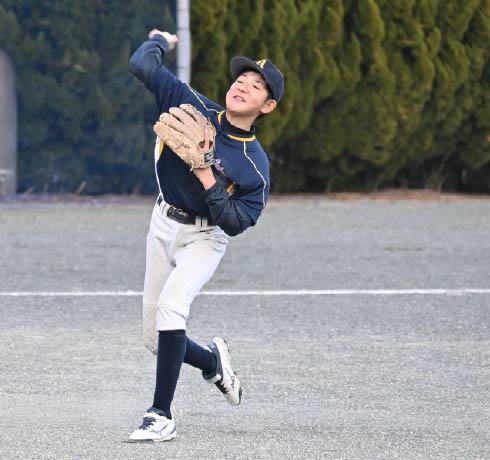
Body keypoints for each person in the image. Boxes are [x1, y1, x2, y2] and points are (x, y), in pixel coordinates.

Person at [127, 28, 285, 443]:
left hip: (205, 238)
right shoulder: (191, 105)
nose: (243, 86)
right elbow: (142, 65)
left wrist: (205, 171)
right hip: (162, 222)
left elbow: (234, 222)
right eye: (241, 78)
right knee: (154, 339)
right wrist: (160, 40)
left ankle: (160, 415)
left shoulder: (255, 167)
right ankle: (213, 362)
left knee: (171, 311)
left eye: (256, 86)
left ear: (267, 106)